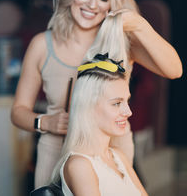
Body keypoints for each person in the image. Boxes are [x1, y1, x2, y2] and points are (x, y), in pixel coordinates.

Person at [11, 0, 182, 188]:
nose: (92, 5)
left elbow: (174, 70)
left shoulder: (122, 42)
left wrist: (140, 25)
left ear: (113, 2)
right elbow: (18, 111)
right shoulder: (42, 44)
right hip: (54, 152)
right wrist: (45, 122)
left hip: (113, 151)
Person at [50, 54, 148, 196]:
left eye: (127, 101)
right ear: (88, 107)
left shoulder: (118, 157)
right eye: (116, 103)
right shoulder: (80, 165)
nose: (128, 112)